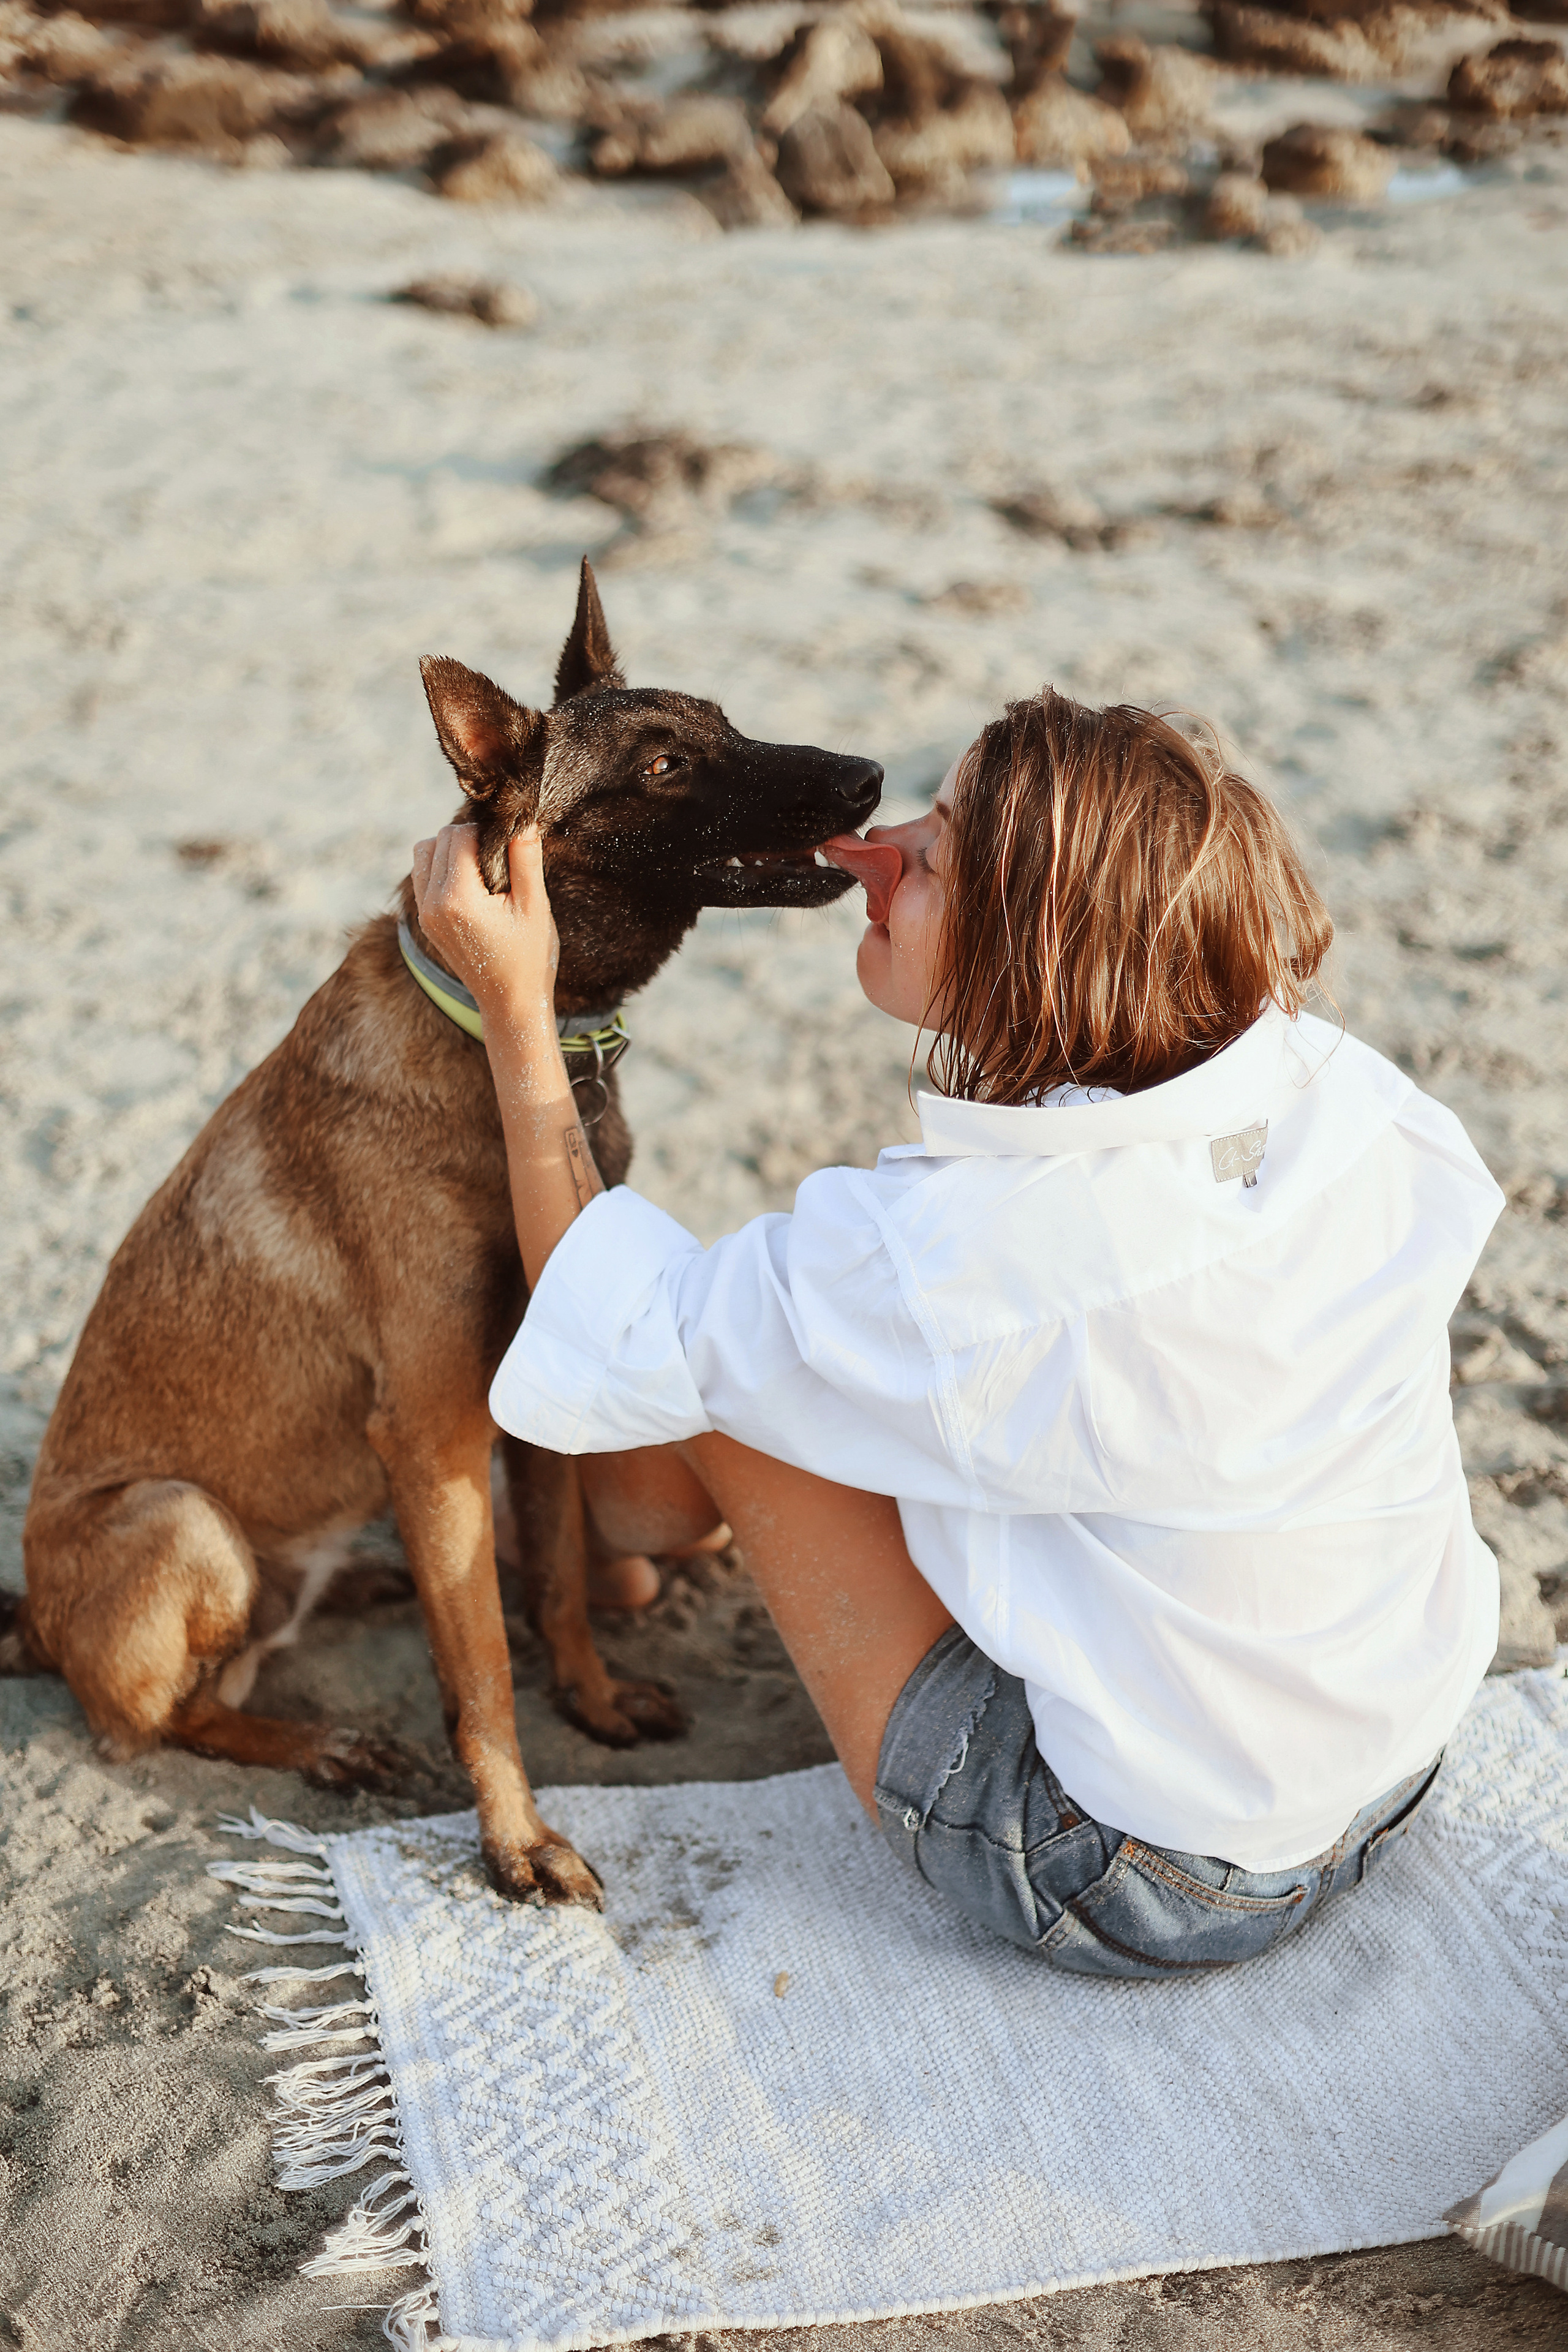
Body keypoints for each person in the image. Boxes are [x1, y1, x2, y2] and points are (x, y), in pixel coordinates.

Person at [410, 689, 1502, 1978]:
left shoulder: (967, 1263)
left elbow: (619, 1320)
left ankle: (628, 1543)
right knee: (787, 1340)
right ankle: (639, 1532)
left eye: (931, 858)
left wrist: (517, 1006)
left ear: (1025, 951)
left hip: (1139, 1876)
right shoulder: (1344, 1096)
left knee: (697, 1356)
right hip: (1386, 1762)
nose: (873, 851)